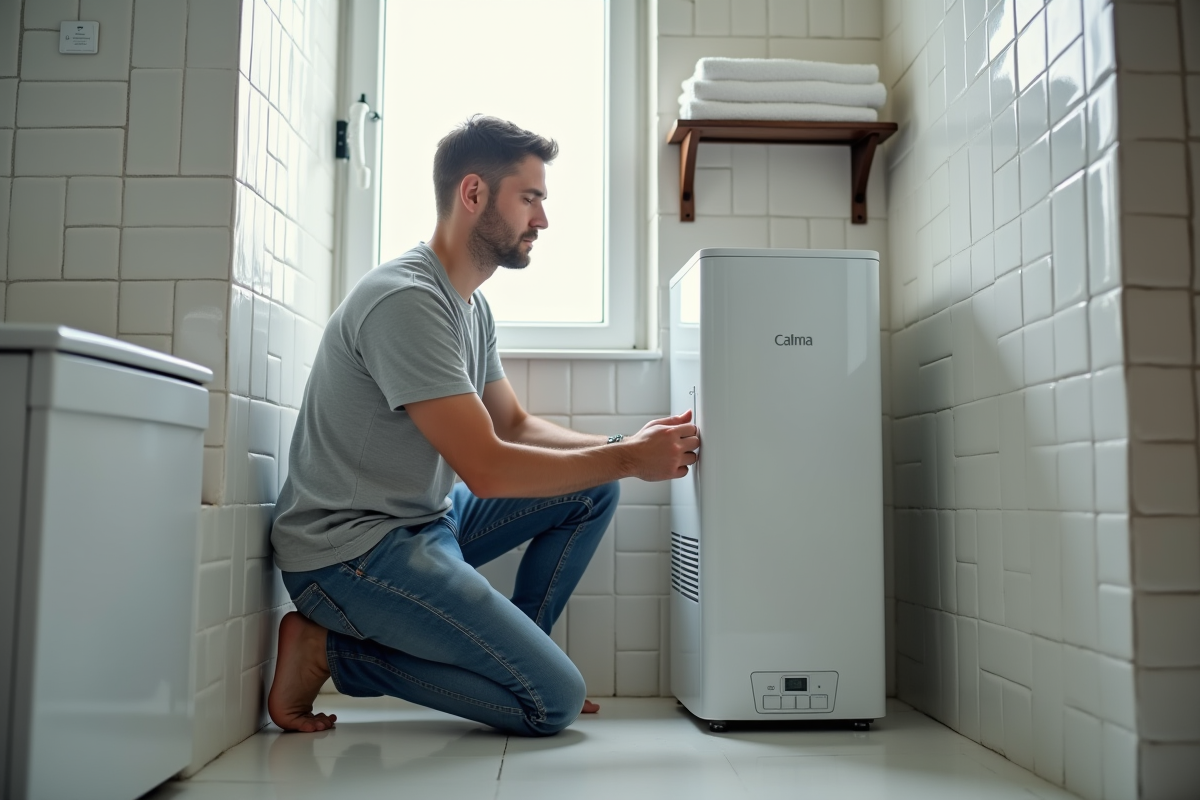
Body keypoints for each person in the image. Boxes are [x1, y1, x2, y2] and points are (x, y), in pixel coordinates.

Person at [267, 115, 700, 737]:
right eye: (530, 198)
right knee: (552, 706)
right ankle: (329, 651)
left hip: (425, 522)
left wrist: (622, 447)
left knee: (592, 484)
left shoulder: (469, 303)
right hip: (350, 553)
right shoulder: (406, 301)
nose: (542, 220)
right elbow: (490, 470)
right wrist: (631, 459)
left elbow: (514, 425)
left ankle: (522, 659)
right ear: (473, 194)